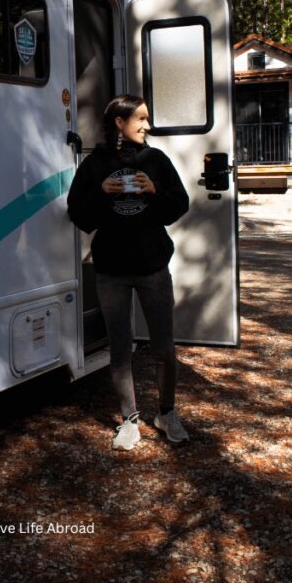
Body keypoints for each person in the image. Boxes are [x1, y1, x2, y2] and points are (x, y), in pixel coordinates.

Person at [67, 94, 190, 450]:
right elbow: (79, 215)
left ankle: (166, 413)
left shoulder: (156, 160)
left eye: (147, 119)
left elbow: (177, 206)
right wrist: (101, 192)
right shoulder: (95, 164)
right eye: (141, 119)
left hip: (153, 268)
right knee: (120, 349)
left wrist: (155, 190)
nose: (147, 126)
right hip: (111, 271)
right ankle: (129, 421)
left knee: (164, 348)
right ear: (119, 123)